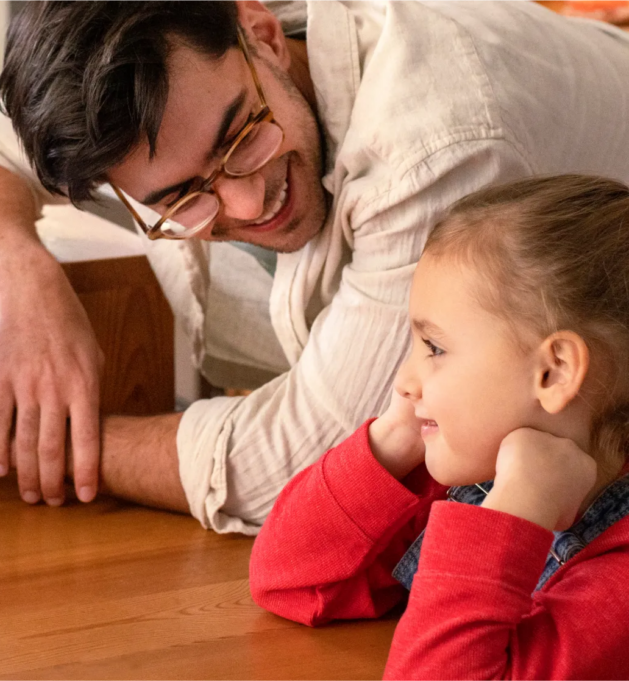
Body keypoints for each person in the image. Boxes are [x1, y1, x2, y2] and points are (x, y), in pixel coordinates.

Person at [0, 0, 629, 532]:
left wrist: (14, 438)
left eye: (241, 135)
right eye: (185, 197)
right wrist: (23, 276)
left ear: (261, 30)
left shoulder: (435, 145)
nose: (250, 198)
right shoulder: (156, 107)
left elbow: (310, 461)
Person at [250, 175, 629, 679]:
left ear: (553, 372)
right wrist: (393, 441)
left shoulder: (616, 587)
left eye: (435, 348)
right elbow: (286, 579)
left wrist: (513, 516)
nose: (404, 381)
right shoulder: (467, 479)